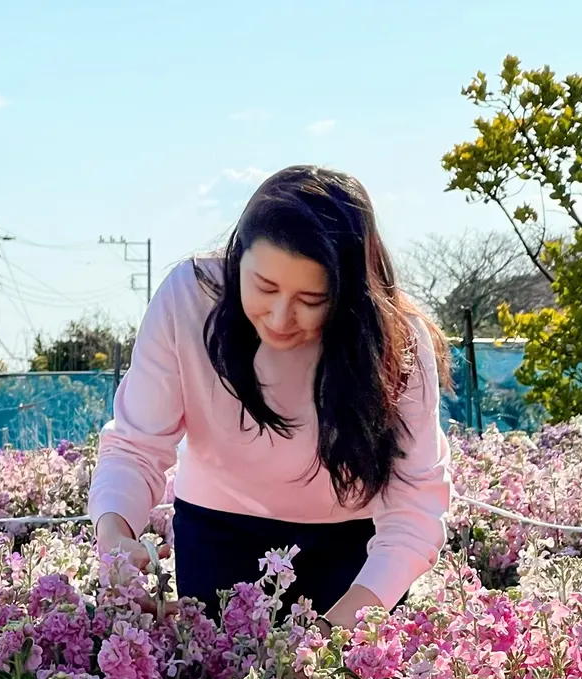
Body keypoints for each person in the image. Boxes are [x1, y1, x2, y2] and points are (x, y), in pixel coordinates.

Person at [88, 165, 453, 635]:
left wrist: (343, 627)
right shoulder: (190, 297)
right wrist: (116, 534)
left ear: (348, 295)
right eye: (263, 287)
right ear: (237, 258)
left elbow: (415, 504)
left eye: (311, 298)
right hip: (218, 527)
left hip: (354, 546)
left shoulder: (395, 342)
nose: (281, 317)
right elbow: (136, 444)